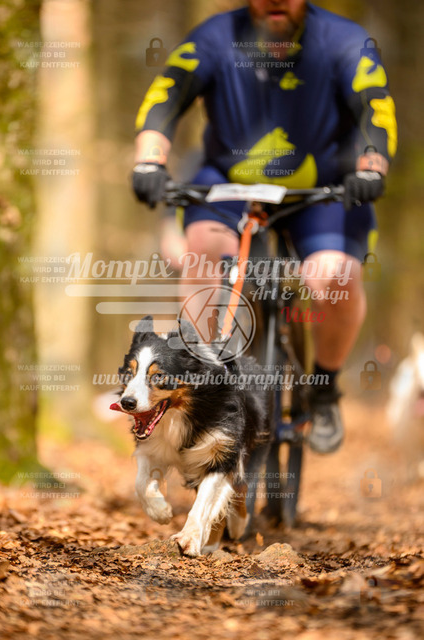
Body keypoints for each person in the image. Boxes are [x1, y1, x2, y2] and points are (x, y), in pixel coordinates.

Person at [131, 0, 397, 454]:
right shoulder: (213, 37)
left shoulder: (345, 41)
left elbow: (376, 108)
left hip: (324, 187)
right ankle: (199, 388)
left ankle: (325, 389)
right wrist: (149, 160)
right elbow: (165, 96)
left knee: (334, 277)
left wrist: (371, 166)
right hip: (229, 182)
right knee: (203, 253)